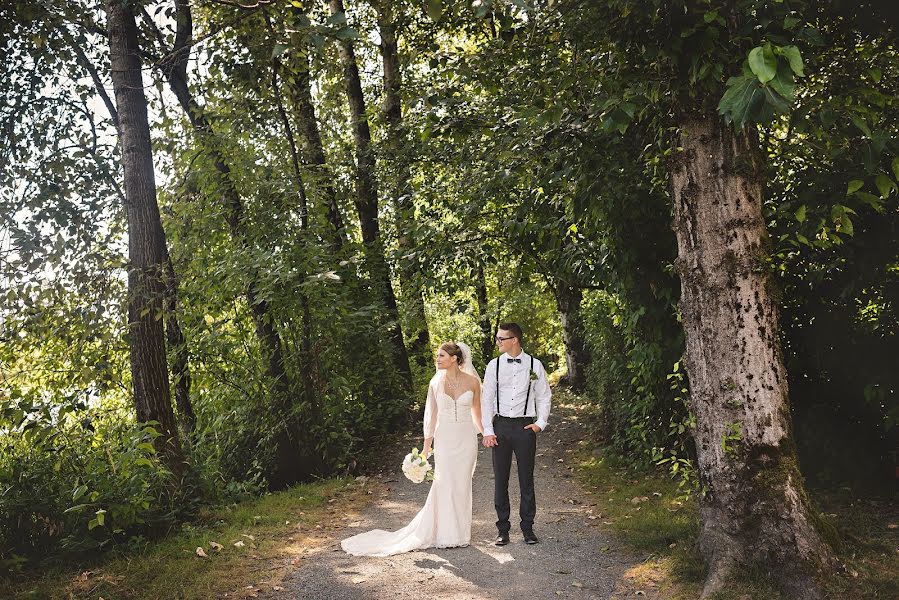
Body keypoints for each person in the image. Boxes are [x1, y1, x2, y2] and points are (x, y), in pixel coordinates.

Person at [341, 342, 483, 556]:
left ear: (454, 358)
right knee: (444, 483)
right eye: (438, 355)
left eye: (441, 355)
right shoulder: (435, 383)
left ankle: (461, 533)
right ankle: (446, 533)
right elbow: (431, 417)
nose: (438, 359)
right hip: (445, 440)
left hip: (466, 439)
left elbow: (478, 416)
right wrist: (426, 449)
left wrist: (489, 434)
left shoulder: (473, 382)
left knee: (462, 484)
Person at [481, 323, 551, 546]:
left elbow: (544, 395)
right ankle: (503, 530)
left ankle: (528, 529)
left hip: (524, 428)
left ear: (514, 340)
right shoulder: (494, 366)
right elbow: (487, 399)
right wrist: (488, 430)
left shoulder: (534, 364)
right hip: (500, 426)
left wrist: (540, 423)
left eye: (502, 338)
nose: (498, 342)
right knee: (501, 480)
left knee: (526, 480)